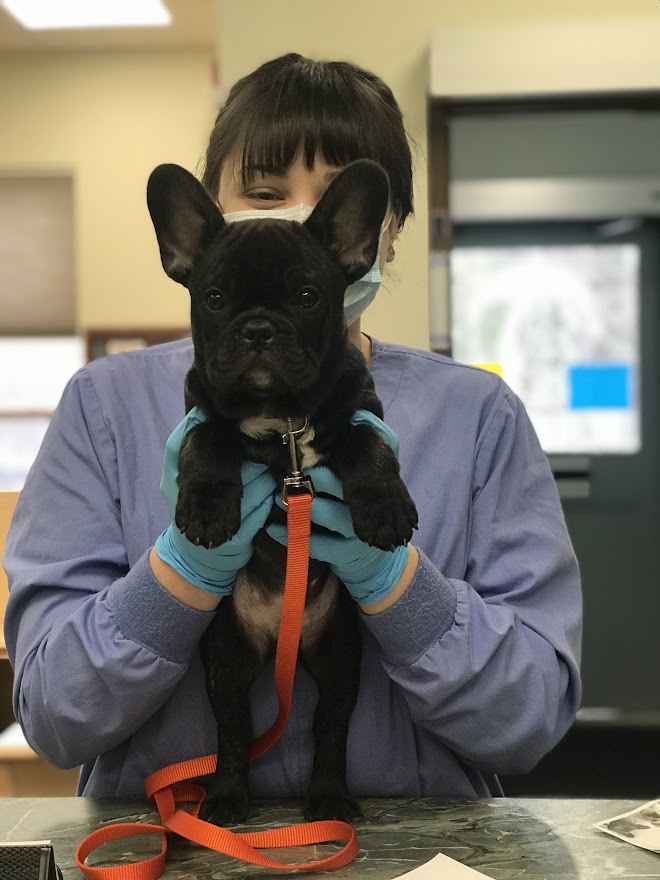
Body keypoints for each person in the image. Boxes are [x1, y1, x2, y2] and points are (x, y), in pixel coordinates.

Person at [3, 53, 582, 801]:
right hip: (176, 840)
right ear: (203, 220)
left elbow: (530, 719)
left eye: (334, 203)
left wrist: (400, 586)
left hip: (415, 854)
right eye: (265, 192)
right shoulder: (103, 407)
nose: (296, 220)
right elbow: (53, 717)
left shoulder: (478, 418)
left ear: (380, 232)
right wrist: (178, 576)